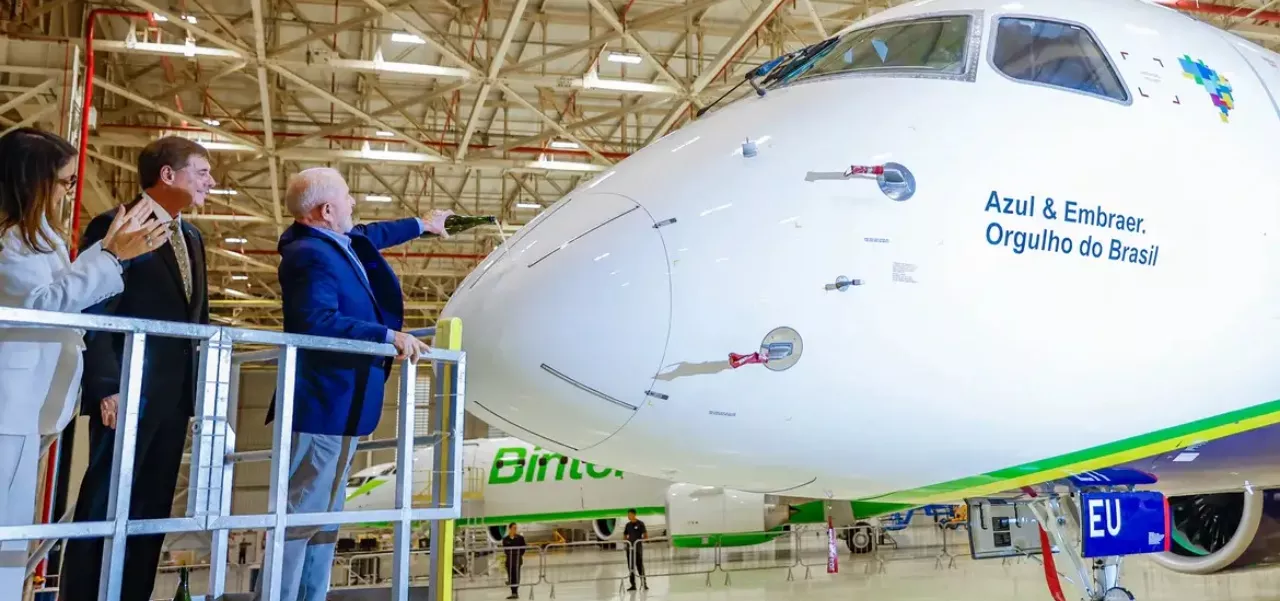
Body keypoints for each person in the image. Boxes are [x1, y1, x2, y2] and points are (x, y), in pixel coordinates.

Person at [255, 167, 451, 601]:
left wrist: (423, 224)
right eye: (348, 197)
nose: (354, 204)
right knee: (301, 513)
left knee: (325, 518)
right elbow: (315, 321)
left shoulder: (334, 241)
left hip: (345, 405)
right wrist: (386, 337)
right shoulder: (310, 254)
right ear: (326, 211)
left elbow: (370, 233)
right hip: (323, 401)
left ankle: (311, 594)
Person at [0, 128, 168, 596]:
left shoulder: (38, 235)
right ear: (32, 180)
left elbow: (64, 290)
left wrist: (107, 254)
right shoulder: (9, 239)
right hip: (9, 404)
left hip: (30, 404)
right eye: (65, 181)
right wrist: (110, 256)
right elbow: (45, 303)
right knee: (5, 527)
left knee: (13, 529)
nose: (70, 191)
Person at [60, 136, 214, 601]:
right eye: (202, 172)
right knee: (104, 504)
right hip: (126, 393)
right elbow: (97, 309)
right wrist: (106, 384)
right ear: (168, 175)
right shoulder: (115, 225)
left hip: (174, 396)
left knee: (152, 511)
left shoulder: (192, 237)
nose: (212, 181)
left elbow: (194, 318)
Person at [623, 509, 648, 591]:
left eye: (629, 515)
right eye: (628, 515)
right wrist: (626, 542)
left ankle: (644, 583)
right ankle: (633, 585)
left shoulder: (640, 524)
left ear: (634, 515)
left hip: (637, 549)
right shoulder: (627, 525)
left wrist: (640, 540)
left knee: (640, 566)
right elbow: (625, 535)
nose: (628, 516)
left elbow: (645, 535)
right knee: (631, 567)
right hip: (629, 549)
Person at [501, 523, 526, 599]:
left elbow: (523, 548)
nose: (515, 529)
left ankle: (515, 592)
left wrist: (518, 555)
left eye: (516, 528)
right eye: (514, 528)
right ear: (510, 528)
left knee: (517, 577)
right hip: (509, 561)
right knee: (511, 577)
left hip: (517, 560)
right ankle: (513, 592)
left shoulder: (520, 538)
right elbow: (506, 550)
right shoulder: (505, 539)